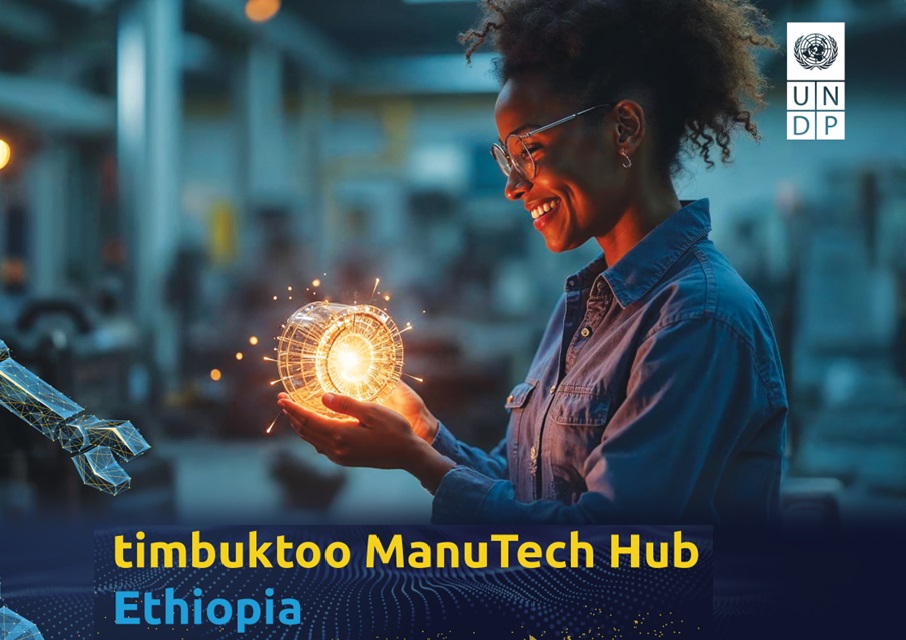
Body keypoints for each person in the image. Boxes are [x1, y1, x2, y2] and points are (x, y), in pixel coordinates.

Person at [279, 0, 787, 526]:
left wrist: (421, 464)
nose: (513, 186)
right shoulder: (589, 309)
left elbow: (608, 546)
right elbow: (524, 488)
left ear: (624, 129)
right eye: (508, 159)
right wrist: (425, 432)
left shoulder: (698, 319)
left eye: (530, 150)